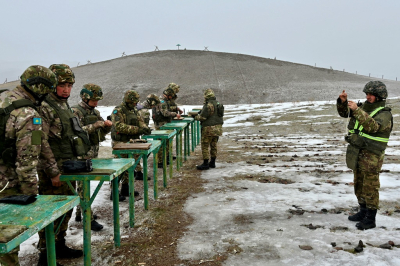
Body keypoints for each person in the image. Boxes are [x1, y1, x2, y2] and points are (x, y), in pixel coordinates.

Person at [0, 65, 58, 266]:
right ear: (41, 88)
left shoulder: (3, 97)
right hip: (7, 186)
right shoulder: (29, 115)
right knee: (7, 242)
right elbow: (27, 161)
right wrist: (32, 198)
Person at [37, 64, 90, 265]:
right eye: (62, 85)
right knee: (50, 212)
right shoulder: (44, 107)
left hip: (67, 167)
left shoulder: (63, 105)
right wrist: (52, 171)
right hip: (53, 171)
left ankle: (58, 245)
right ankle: (45, 255)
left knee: (65, 209)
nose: (66, 89)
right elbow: (39, 142)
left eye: (69, 84)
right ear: (52, 84)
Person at [337, 81, 393, 230]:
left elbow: (372, 127)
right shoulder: (362, 108)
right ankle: (362, 211)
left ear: (379, 96)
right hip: (358, 151)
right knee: (359, 184)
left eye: (371, 95)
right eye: (367, 94)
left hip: (372, 155)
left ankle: (370, 218)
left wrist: (357, 110)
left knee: (370, 186)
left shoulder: (385, 114)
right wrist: (342, 102)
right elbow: (345, 114)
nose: (368, 97)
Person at [71, 83, 112, 231]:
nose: (96, 103)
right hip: (81, 155)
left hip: (92, 153)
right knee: (83, 186)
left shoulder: (94, 112)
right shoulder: (76, 111)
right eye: (94, 100)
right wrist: (96, 125)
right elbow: (77, 132)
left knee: (85, 186)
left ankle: (79, 212)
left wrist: (106, 126)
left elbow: (100, 132)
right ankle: (87, 217)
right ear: (85, 97)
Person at [110, 90, 151, 198]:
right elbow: (119, 126)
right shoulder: (118, 111)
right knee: (118, 167)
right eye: (133, 102)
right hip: (120, 143)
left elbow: (140, 120)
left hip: (132, 142)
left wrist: (145, 128)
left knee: (130, 166)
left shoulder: (133, 110)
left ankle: (125, 187)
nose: (135, 104)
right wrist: (138, 130)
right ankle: (113, 191)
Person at [193, 88, 224, 170]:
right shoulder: (218, 104)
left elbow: (202, 117)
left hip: (208, 129)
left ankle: (205, 163)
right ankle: (213, 162)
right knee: (214, 145)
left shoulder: (208, 105)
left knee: (205, 145)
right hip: (218, 128)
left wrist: (195, 116)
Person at [153, 87, 181, 167]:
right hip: (161, 125)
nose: (171, 98)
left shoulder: (164, 101)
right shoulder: (162, 102)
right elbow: (165, 113)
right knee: (161, 143)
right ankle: (160, 161)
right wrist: (175, 114)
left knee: (166, 142)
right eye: (171, 96)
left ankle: (166, 157)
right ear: (167, 95)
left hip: (164, 124)